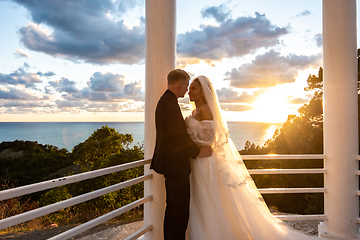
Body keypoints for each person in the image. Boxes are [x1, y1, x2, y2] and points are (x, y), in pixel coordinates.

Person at [185, 75, 317, 240]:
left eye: (194, 88)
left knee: (206, 200)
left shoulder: (206, 109)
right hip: (196, 161)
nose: (190, 91)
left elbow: (209, 139)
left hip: (205, 162)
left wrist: (191, 142)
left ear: (203, 92)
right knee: (198, 201)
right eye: (189, 88)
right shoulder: (195, 111)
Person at [150, 69, 213, 240]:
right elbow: (178, 135)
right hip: (176, 167)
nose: (186, 90)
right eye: (186, 86)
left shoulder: (167, 101)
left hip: (172, 165)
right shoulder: (169, 103)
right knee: (179, 213)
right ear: (180, 84)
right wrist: (198, 151)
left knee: (173, 209)